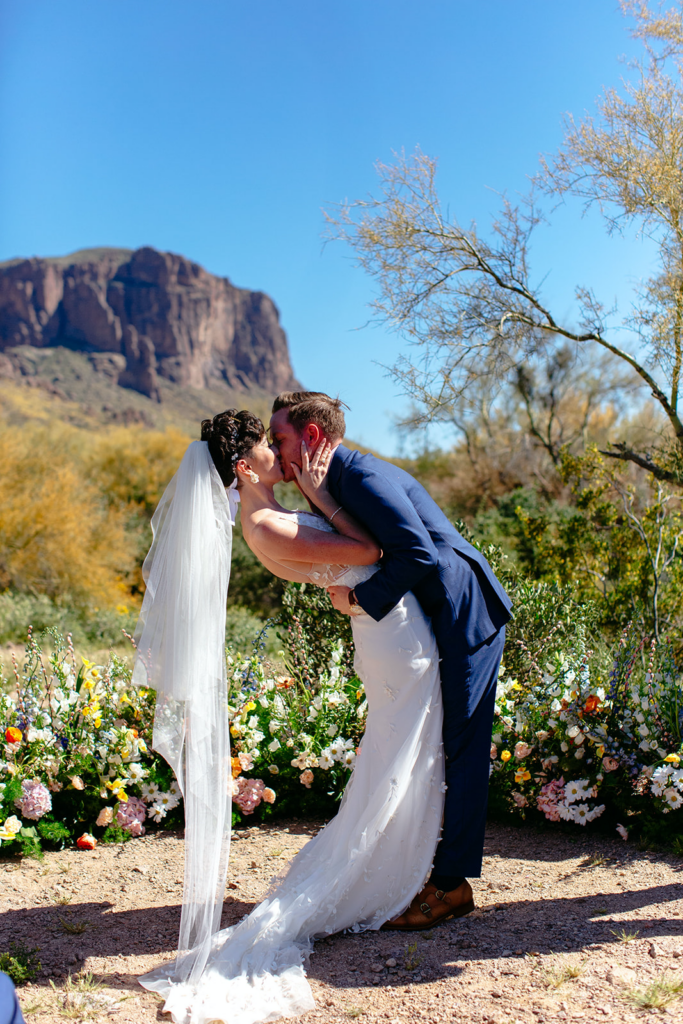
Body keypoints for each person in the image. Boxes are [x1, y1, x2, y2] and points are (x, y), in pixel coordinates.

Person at [136, 409, 451, 1024]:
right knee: (402, 751)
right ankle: (385, 877)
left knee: (399, 752)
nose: (277, 452)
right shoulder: (266, 523)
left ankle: (403, 867)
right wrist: (315, 492)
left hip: (383, 629)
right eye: (265, 444)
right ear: (242, 465)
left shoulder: (265, 516)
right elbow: (368, 547)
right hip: (393, 638)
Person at [269, 392, 511, 930]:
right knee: (442, 739)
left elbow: (418, 553)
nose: (273, 449)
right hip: (434, 616)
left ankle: (451, 886)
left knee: (463, 744)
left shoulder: (360, 479)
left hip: (463, 611)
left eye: (279, 439)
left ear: (311, 438)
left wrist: (359, 602)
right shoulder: (333, 483)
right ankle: (421, 865)